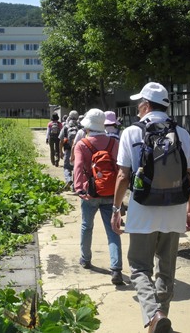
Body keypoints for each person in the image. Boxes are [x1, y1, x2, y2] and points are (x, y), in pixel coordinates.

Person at [111, 82, 190, 333]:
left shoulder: (131, 132)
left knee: (139, 267)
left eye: (139, 105)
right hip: (174, 210)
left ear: (146, 106)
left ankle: (154, 315)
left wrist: (116, 211)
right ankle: (160, 323)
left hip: (142, 211)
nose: (138, 109)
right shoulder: (182, 133)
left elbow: (122, 177)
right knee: (166, 269)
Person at [74, 108, 124, 286]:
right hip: (111, 192)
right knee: (113, 230)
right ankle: (116, 268)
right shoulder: (113, 143)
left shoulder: (82, 144)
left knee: (87, 226)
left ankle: (85, 259)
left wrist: (79, 188)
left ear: (88, 125)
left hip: (90, 192)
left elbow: (78, 167)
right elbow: (120, 169)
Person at [59, 110, 81, 191]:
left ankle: (69, 180)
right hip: (79, 151)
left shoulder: (66, 126)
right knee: (77, 168)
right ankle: (74, 186)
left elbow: (61, 140)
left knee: (67, 167)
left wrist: (60, 151)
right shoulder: (80, 126)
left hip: (68, 150)